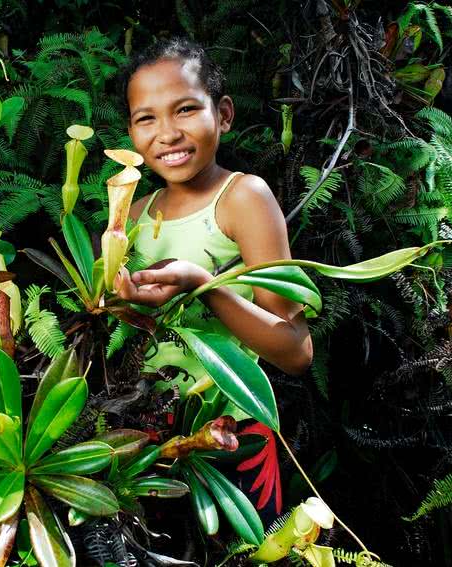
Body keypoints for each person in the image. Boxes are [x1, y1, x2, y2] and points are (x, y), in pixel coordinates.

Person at [113, 38, 313, 519]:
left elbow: (296, 351)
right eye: (147, 118)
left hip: (230, 434)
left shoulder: (243, 197)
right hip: (146, 436)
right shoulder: (131, 210)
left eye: (185, 110)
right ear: (131, 132)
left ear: (223, 114)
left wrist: (202, 283)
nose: (167, 134)